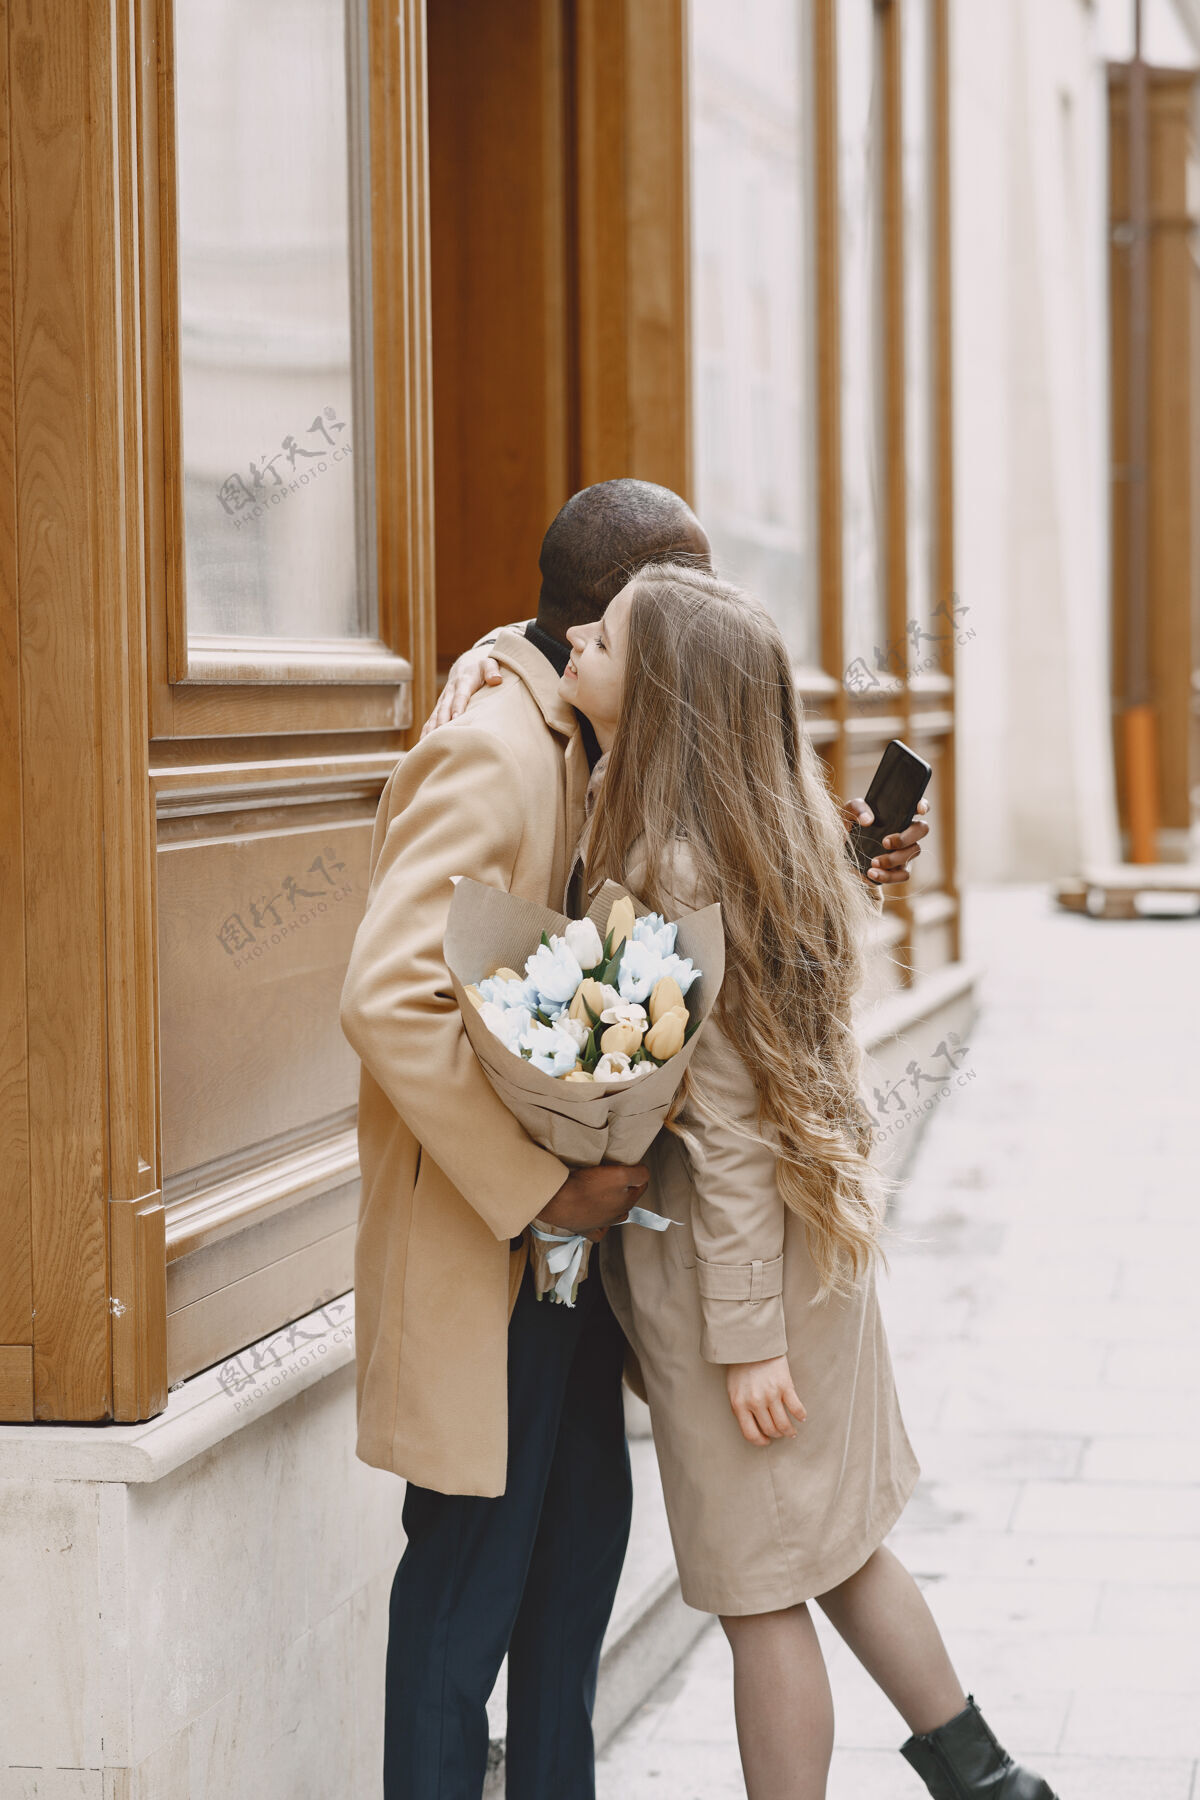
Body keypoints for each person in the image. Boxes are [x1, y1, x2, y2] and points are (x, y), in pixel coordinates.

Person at [342, 478, 927, 1800]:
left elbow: (674, 887)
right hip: (502, 1247)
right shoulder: (495, 742)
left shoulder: (609, 720)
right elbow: (387, 993)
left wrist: (823, 859)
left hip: (584, 1255)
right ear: (611, 623)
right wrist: (542, 1192)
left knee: (572, 1583)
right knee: (465, 1598)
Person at [556, 561, 1059, 1800]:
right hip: (808, 1257)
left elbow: (720, 1133)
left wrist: (742, 1342)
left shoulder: (669, 867)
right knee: (837, 1549)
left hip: (748, 1293)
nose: (576, 636)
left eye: (606, 636)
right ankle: (995, 1786)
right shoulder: (778, 830)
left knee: (757, 1595)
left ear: (663, 695)